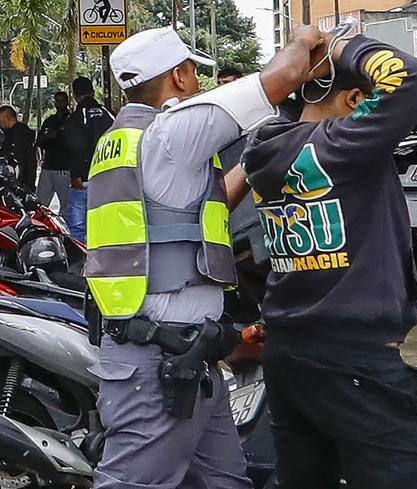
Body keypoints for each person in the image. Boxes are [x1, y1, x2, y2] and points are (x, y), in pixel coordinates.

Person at [85, 25, 330, 489]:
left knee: (224, 481)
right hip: (158, 362)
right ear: (177, 76)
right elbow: (280, 78)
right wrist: (307, 40)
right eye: (193, 71)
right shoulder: (171, 132)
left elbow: (198, 210)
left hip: (188, 354)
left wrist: (257, 159)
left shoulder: (124, 139)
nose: (197, 81)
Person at [241, 34, 417, 488]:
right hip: (354, 358)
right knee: (409, 472)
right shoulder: (343, 144)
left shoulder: (264, 147)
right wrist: (339, 45)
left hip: (289, 353)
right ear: (354, 98)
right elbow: (413, 77)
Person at [63, 76, 113, 242]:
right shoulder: (110, 115)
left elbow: (76, 147)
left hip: (83, 180)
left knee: (77, 228)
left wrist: (75, 174)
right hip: (108, 179)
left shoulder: (76, 118)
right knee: (105, 225)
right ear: (92, 92)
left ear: (75, 96)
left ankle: (81, 263)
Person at [36, 91, 72, 211]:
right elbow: (39, 141)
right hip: (48, 166)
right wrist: (48, 137)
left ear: (67, 101)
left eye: (62, 100)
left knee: (66, 205)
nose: (60, 103)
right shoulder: (49, 121)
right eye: (57, 100)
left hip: (64, 168)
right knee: (40, 203)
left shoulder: (72, 120)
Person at [0, 105, 37, 191]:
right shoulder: (12, 133)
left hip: (22, 181)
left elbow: (10, 154)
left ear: (6, 118)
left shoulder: (19, 134)